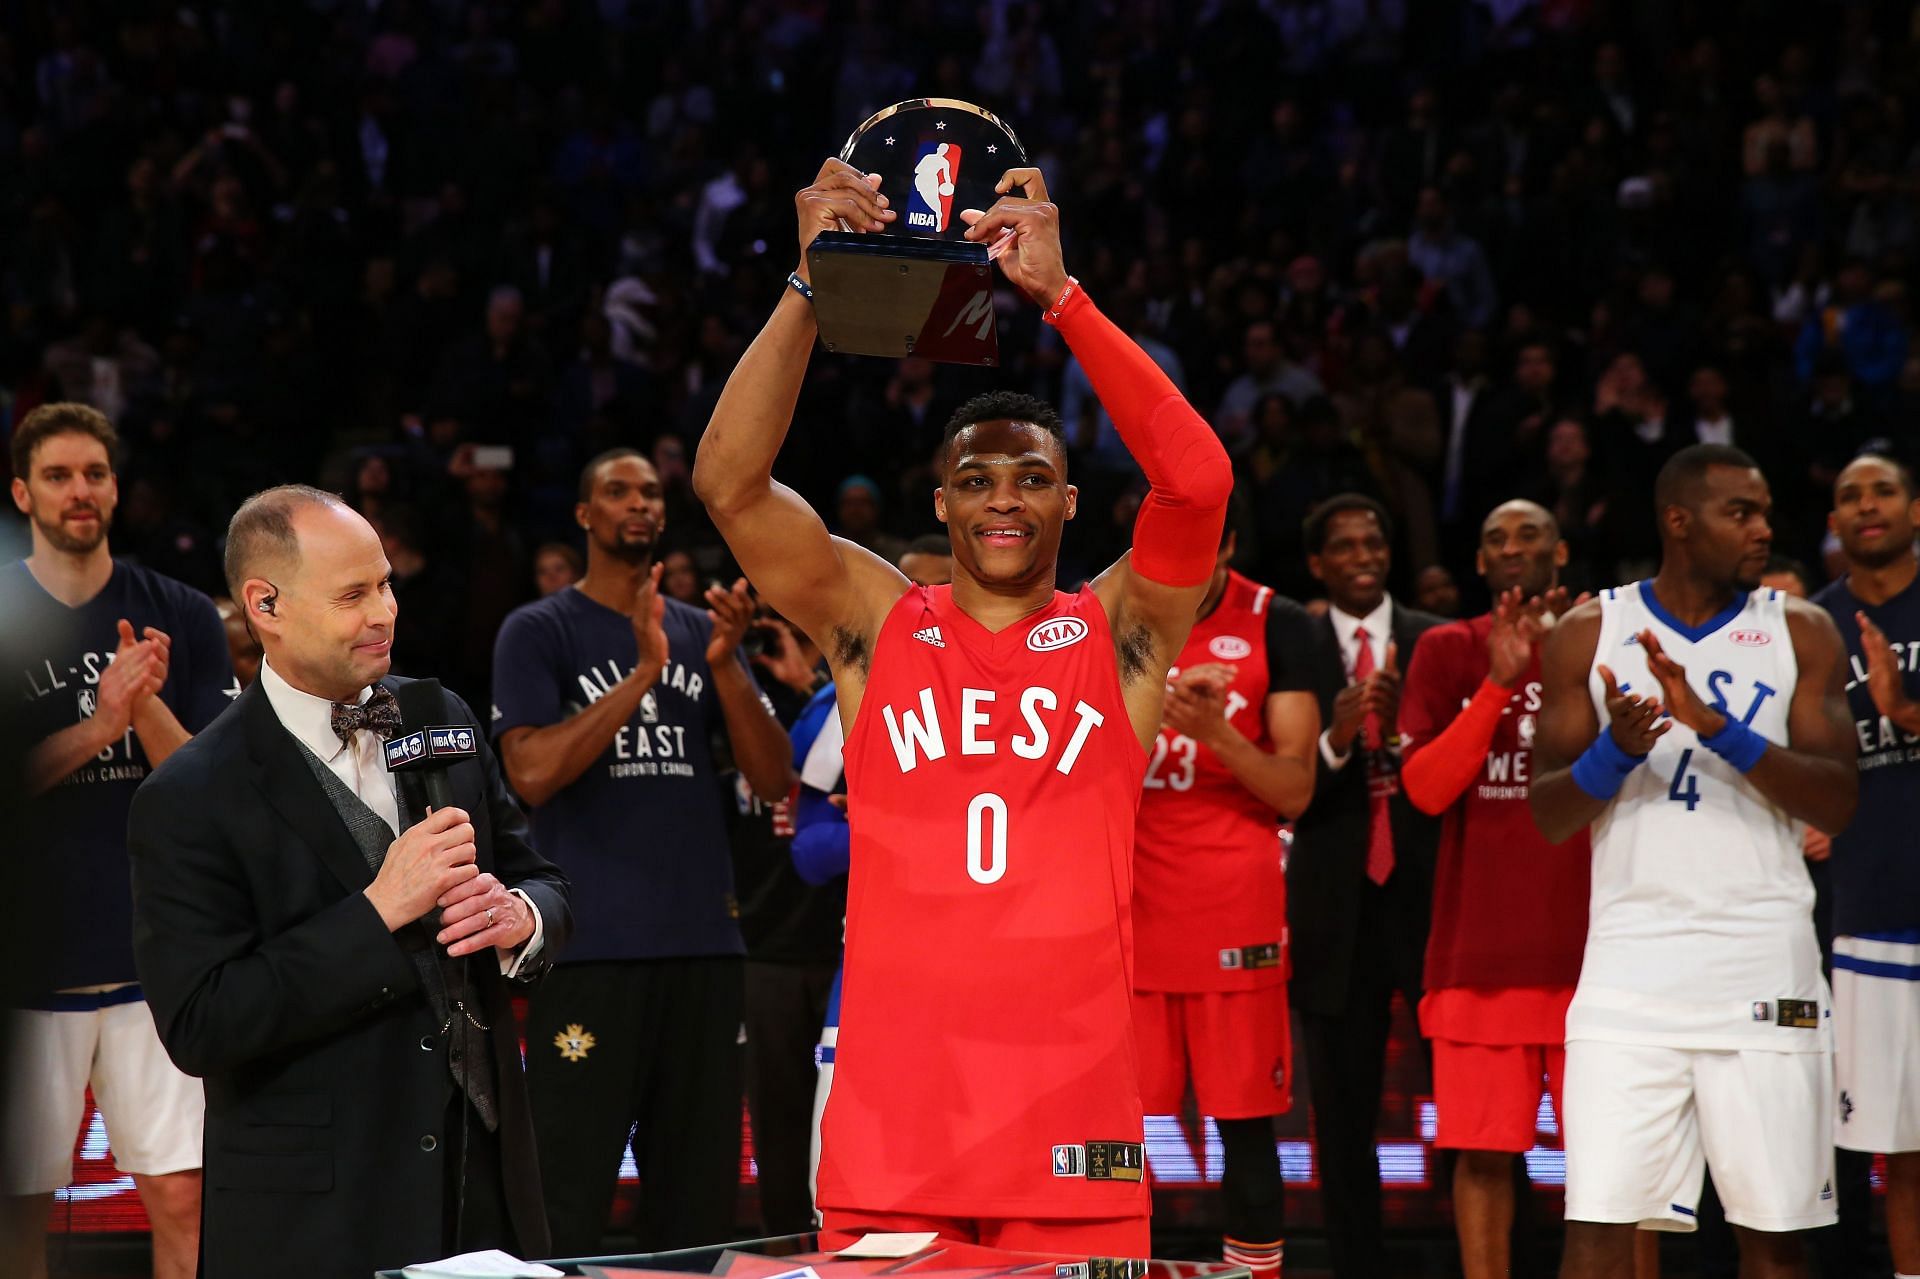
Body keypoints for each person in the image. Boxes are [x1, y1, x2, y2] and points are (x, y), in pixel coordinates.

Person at [692, 159, 1233, 1257]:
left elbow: (1200, 485)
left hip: (1072, 1108)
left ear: (1069, 502)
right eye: (978, 479)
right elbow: (729, 485)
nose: (1004, 498)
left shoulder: (1121, 633)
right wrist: (809, 287)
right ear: (942, 501)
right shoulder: (876, 619)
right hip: (901, 1106)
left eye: (1031, 478)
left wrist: (1064, 299)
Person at [127, 485, 570, 1279]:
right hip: (315, 1218)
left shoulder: (443, 714)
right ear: (265, 604)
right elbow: (201, 1023)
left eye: (387, 583)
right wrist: (375, 913)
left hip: (483, 1188)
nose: (385, 612)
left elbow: (540, 878)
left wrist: (522, 917)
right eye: (354, 594)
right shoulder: (189, 795)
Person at [1530, 443, 1858, 1279]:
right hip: (1628, 976)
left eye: (1765, 511)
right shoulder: (1589, 631)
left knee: (1777, 1237)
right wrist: (1616, 749)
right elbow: (1548, 813)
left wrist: (1721, 730)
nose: (1763, 529)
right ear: (1679, 520)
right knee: (1598, 1228)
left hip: (1764, 967)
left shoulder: (1801, 629)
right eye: (1739, 512)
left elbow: (1838, 802)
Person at [490, 449, 793, 1254]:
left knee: (697, 1197)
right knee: (569, 1183)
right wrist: (643, 674)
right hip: (590, 947)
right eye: (617, 491)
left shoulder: (704, 631)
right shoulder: (538, 629)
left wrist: (723, 669)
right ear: (585, 515)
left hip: (703, 944)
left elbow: (774, 779)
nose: (638, 503)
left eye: (651, 492)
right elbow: (530, 773)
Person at [0, 403, 234, 1279]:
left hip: (155, 958)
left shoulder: (180, 611)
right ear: (22, 491)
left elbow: (214, 786)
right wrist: (100, 729)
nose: (80, 490)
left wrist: (144, 708)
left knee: (182, 1197)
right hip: (27, 966)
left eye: (94, 472)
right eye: (58, 475)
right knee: (17, 1216)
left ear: (116, 486)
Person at [1397, 500, 1591, 1279]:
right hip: (1478, 956)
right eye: (1496, 539)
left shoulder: (1608, 639)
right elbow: (1426, 789)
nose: (1513, 549)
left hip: (1599, 961)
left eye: (1530, 535)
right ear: (1478, 562)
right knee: (1481, 1159)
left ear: (1562, 551)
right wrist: (1496, 687)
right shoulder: (1448, 648)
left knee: (1616, 1167)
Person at [1131, 526, 1320, 1279]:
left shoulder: (1281, 623)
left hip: (1234, 915)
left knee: (1244, 1131)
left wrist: (1215, 734)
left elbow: (1295, 792)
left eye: (1200, 553)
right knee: (1116, 1143)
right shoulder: (1111, 619)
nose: (1183, 572)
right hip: (1131, 919)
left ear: (1230, 546)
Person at [1285, 493, 1443, 1279]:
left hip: (1428, 902)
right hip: (1333, 906)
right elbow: (1282, 785)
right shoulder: (1297, 642)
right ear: (1317, 563)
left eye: (1373, 539)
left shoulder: (1434, 642)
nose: (1362, 553)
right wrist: (1338, 738)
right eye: (1342, 544)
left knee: (1467, 1110)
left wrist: (1409, 738)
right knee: (1343, 1120)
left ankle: (1478, 1256)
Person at [789, 540, 956, 1212]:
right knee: (847, 1201)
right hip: (873, 984)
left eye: (934, 589)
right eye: (904, 586)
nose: (915, 604)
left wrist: (908, 816)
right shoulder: (839, 700)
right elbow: (810, 851)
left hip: (998, 991)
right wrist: (890, 827)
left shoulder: (1027, 683)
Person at [1810, 454, 1920, 1279]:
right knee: (1901, 1152)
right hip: (1871, 911)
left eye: (1881, 491)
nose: (1866, 505)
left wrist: (1904, 711)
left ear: (1915, 509)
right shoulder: (1812, 629)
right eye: (1849, 496)